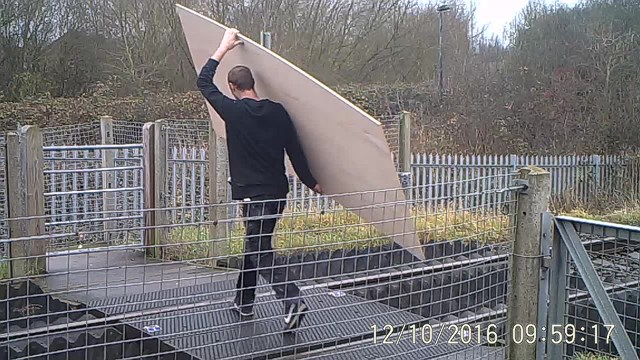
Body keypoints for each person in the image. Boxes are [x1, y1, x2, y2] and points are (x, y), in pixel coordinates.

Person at [196, 28, 322, 331]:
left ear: (232, 86)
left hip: (253, 196)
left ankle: (292, 300)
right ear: (252, 85)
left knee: (259, 249)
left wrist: (223, 47)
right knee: (255, 243)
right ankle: (244, 301)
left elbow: (202, 82)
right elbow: (296, 152)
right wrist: (312, 183)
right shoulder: (279, 112)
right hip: (277, 193)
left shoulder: (233, 112)